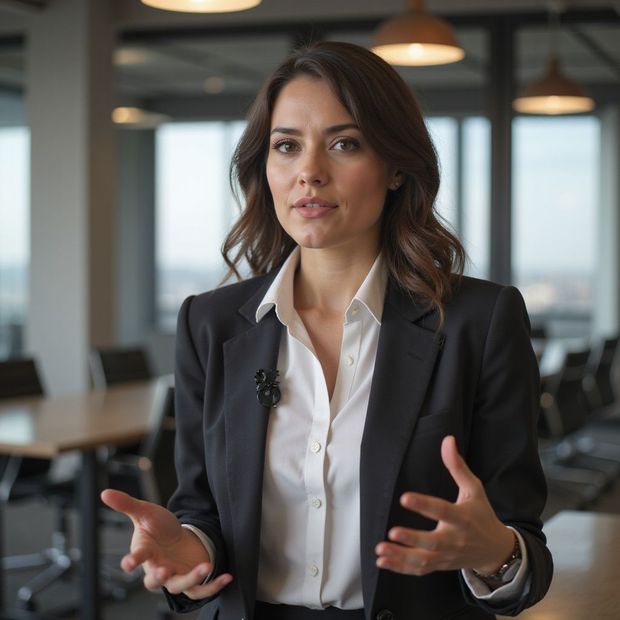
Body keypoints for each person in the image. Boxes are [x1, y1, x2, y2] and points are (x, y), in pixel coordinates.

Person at [102, 41, 553, 620]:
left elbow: (526, 555)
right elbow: (202, 512)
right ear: (264, 169)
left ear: (395, 167)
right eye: (286, 146)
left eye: (344, 144)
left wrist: (496, 554)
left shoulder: (479, 322)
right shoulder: (209, 324)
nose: (309, 173)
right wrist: (192, 549)